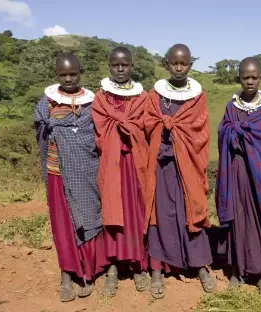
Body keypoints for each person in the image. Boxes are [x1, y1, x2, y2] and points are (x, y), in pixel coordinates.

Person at [144, 43, 215, 299]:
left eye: (183, 63)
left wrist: (181, 143)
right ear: (166, 63)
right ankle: (157, 268)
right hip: (162, 166)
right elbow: (148, 123)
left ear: (190, 65)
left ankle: (199, 266)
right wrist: (164, 130)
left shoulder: (198, 96)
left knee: (191, 210)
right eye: (174, 62)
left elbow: (200, 131)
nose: (178, 67)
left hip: (188, 167)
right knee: (159, 213)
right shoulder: (155, 95)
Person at [34, 52, 107, 302]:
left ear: (80, 73)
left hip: (85, 172)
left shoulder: (92, 103)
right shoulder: (47, 103)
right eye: (63, 74)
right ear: (56, 75)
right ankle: (67, 272)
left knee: (87, 217)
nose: (68, 78)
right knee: (62, 224)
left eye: (73, 74)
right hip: (56, 172)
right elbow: (42, 134)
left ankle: (89, 270)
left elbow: (96, 136)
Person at [216, 57, 261, 298]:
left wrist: (244, 136)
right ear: (239, 78)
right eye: (246, 77)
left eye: (254, 77)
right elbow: (223, 132)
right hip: (237, 170)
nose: (250, 82)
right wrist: (233, 134)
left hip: (260, 175)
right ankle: (237, 270)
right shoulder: (232, 107)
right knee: (238, 219)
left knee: (257, 218)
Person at [91, 47, 150, 297]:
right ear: (109, 66)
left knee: (135, 213)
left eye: (125, 65)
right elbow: (100, 131)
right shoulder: (100, 98)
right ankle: (113, 266)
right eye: (116, 65)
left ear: (132, 66)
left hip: (134, 163)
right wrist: (121, 127)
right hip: (112, 163)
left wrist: (129, 128)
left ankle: (138, 265)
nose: (120, 69)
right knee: (112, 211)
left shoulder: (142, 97)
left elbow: (146, 125)